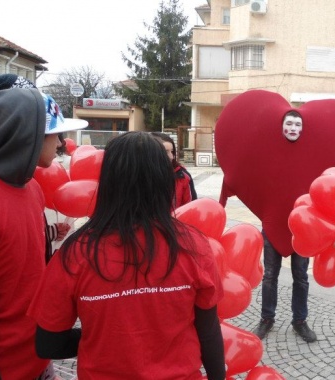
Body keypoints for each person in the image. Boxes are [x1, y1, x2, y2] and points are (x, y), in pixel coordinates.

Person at [27, 132, 226, 379]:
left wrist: (102, 337)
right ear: (164, 180)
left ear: (108, 181)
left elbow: (48, 344)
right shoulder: (194, 245)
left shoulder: (75, 254)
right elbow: (208, 332)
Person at [0, 79, 87, 379]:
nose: (63, 144)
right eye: (54, 134)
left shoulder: (33, 188)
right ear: (27, 136)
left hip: (37, 355)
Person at [252, 111, 317, 343]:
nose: (293, 128)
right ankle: (267, 318)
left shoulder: (309, 155)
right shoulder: (270, 154)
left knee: (301, 276)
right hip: (273, 225)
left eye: (297, 124)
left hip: (301, 227)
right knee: (270, 276)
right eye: (289, 123)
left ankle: (300, 321)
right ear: (282, 127)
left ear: (302, 129)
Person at [151, 132, 197, 209]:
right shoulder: (138, 176)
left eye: (172, 151)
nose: (171, 156)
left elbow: (191, 209)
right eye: (165, 152)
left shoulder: (182, 177)